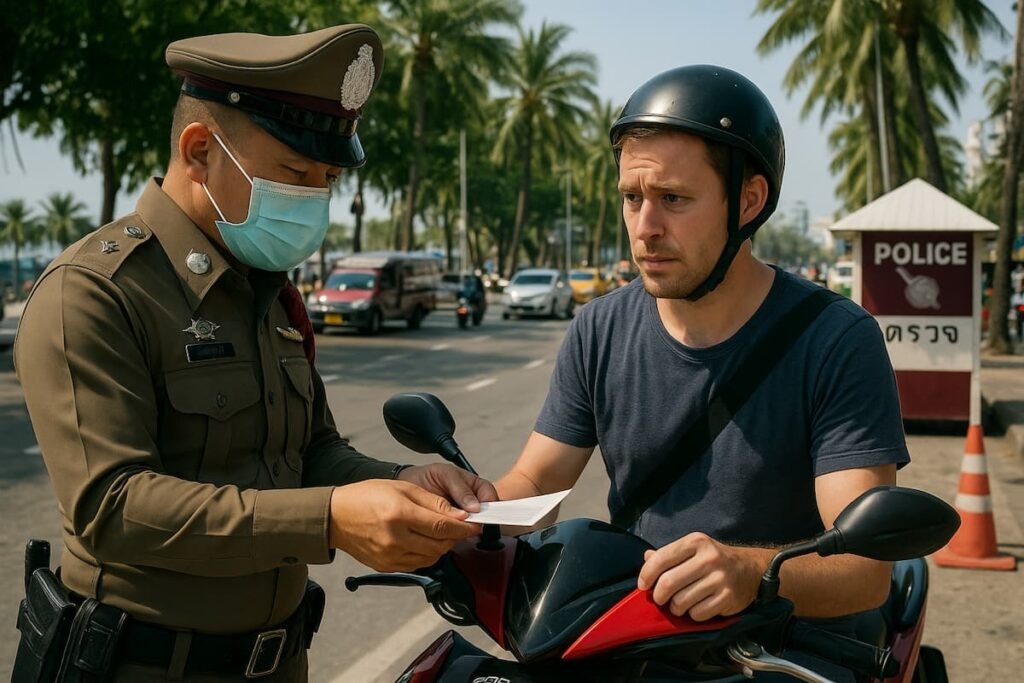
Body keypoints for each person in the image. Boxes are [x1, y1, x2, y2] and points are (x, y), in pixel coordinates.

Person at [13, 24, 496, 681]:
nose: (315, 198)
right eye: (296, 173)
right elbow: (113, 508)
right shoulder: (95, 293)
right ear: (200, 151)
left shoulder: (264, 291)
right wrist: (328, 520)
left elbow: (313, 451)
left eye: (325, 177)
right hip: (141, 665)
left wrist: (394, 482)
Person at [494, 65, 909, 681]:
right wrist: (452, 518)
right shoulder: (599, 328)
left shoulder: (836, 339)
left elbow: (864, 569)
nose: (645, 228)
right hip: (634, 639)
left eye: (674, 199)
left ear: (748, 201)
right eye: (632, 198)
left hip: (780, 653)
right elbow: (535, 482)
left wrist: (751, 574)